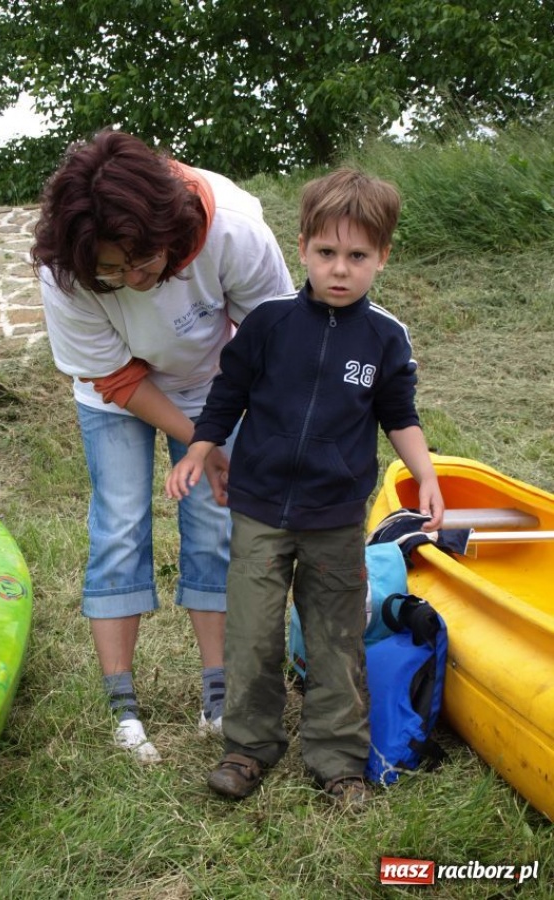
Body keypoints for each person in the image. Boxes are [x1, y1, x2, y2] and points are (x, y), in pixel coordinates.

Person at [165, 167, 444, 803]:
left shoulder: (386, 339)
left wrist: (424, 475)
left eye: (357, 256)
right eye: (326, 253)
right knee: (254, 632)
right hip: (261, 511)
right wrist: (199, 449)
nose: (339, 269)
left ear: (383, 256)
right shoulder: (268, 324)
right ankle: (248, 746)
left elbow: (399, 415)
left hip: (337, 518)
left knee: (336, 636)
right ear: (302, 248)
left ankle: (338, 757)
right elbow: (227, 395)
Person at [31, 128, 294, 763]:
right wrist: (198, 442)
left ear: (168, 231)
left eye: (139, 263)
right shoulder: (65, 269)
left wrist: (224, 438)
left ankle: (218, 695)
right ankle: (123, 707)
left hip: (213, 381)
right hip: (114, 392)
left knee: (213, 520)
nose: (128, 279)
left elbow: (271, 337)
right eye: (110, 273)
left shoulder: (232, 229)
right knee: (120, 520)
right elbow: (117, 376)